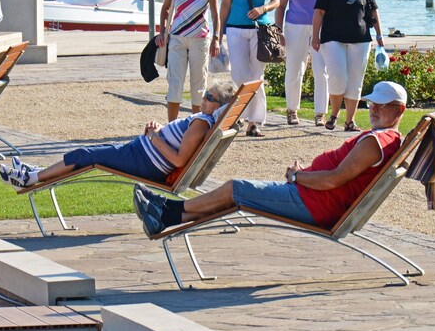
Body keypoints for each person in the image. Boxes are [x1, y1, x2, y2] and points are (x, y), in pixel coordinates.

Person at [132, 81, 407, 237]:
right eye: (373, 103)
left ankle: (166, 212)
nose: (375, 109)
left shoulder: (375, 142)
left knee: (235, 189)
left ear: (400, 110)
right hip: (312, 196)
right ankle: (166, 214)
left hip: (315, 204)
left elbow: (334, 179)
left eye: (383, 106)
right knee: (235, 194)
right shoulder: (383, 138)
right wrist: (305, 175)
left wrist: (299, 177)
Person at [0, 81, 238, 189]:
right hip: (141, 153)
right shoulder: (203, 121)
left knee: (85, 155)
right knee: (91, 154)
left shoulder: (200, 125)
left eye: (209, 97)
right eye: (206, 94)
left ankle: (32, 178)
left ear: (218, 106)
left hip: (145, 160)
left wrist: (155, 136)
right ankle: (34, 173)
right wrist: (156, 134)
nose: (204, 98)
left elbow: (178, 160)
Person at [311, 0, 383, 132]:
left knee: (355, 81)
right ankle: (334, 113)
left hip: (360, 37)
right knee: (338, 76)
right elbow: (319, 12)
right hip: (332, 37)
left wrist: (380, 35)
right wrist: (314, 36)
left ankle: (349, 120)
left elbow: (373, 10)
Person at [220, 0, 280, 137]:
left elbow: (276, 0)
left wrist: (262, 9)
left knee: (256, 76)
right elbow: (225, 3)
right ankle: (241, 115)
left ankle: (254, 121)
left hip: (258, 29)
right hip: (235, 27)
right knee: (239, 75)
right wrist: (219, 33)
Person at [158, 0, 221, 122]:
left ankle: (195, 124)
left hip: (200, 39)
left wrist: (216, 39)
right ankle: (171, 125)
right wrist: (162, 32)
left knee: (198, 85)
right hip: (177, 38)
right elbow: (165, 9)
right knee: (175, 84)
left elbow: (216, 16)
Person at [275, 0, 332, 127]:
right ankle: (292, 110)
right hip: (294, 26)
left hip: (320, 28)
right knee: (294, 69)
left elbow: (335, 5)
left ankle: (320, 113)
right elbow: (281, 4)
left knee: (321, 70)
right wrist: (279, 30)